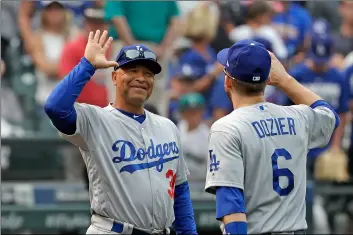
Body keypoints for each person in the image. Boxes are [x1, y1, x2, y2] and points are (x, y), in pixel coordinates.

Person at [44, 30, 197, 235]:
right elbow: (55, 107)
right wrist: (87, 65)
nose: (141, 78)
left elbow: (180, 191)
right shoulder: (96, 119)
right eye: (132, 70)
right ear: (115, 77)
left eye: (148, 73)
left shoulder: (168, 126)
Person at [204, 39, 339, 234]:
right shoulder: (298, 116)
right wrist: (285, 80)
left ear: (227, 81)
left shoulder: (227, 128)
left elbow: (231, 206)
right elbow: (330, 117)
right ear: (268, 80)